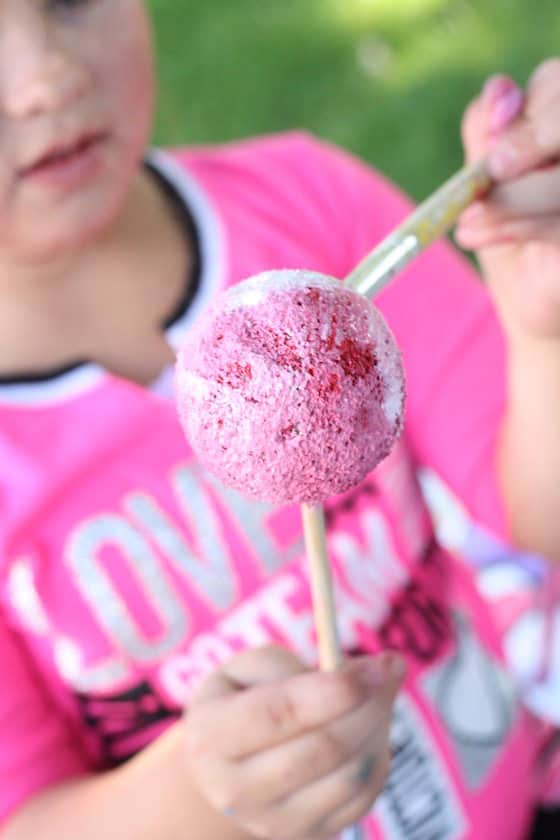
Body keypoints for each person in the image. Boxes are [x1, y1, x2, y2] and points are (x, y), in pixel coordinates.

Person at [0, 1, 559, 838]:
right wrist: (205, 786)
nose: (47, 77)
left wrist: (543, 331)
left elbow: (537, 518)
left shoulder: (306, 200)